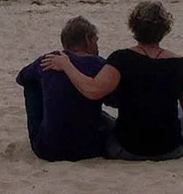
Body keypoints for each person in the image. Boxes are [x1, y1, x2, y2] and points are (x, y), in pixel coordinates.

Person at [42, 2, 183, 161]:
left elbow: (93, 91)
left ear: (133, 27)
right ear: (165, 29)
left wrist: (66, 65)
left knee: (102, 116)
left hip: (124, 149)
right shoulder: (180, 63)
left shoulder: (121, 58)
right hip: (170, 149)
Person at [16, 16, 113, 162]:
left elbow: (21, 78)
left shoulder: (49, 59)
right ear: (87, 40)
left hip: (48, 149)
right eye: (95, 40)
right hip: (90, 148)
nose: (97, 45)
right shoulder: (100, 65)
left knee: (32, 84)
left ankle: (45, 128)